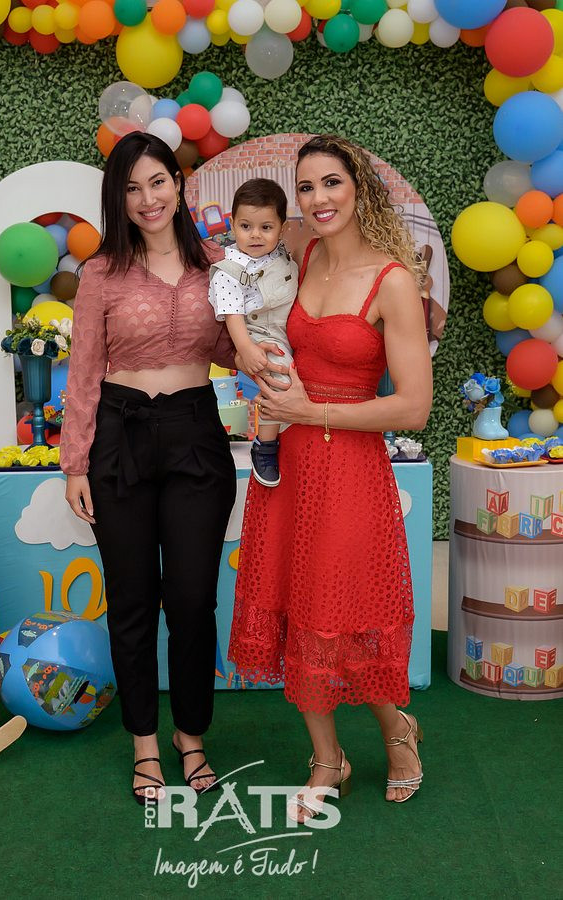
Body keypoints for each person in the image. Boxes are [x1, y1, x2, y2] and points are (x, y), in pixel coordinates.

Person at [60, 133, 280, 805]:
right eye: (131, 188)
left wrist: (270, 348)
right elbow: (84, 374)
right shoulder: (101, 273)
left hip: (194, 436)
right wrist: (75, 465)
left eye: (157, 181)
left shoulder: (216, 264)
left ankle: (191, 735)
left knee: (191, 598)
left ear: (179, 185)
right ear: (118, 198)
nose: (147, 198)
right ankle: (144, 744)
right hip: (118, 439)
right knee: (131, 600)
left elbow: (235, 348)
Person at [228, 134, 433, 821]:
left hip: (349, 469)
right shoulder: (300, 255)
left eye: (332, 183)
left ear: (359, 188)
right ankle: (327, 759)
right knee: (295, 605)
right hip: (287, 463)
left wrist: (310, 410)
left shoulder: (392, 281)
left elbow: (414, 406)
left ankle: (398, 732)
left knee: (347, 610)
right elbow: (239, 291)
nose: (318, 198)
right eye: (306, 186)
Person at [208, 178, 298, 487]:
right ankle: (266, 445)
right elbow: (233, 315)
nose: (255, 235)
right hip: (259, 333)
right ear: (233, 224)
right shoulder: (229, 269)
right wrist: (246, 348)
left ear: (282, 228)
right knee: (279, 377)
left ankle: (294, 430)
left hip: (288, 325)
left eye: (266, 227)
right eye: (246, 226)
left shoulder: (281, 255)